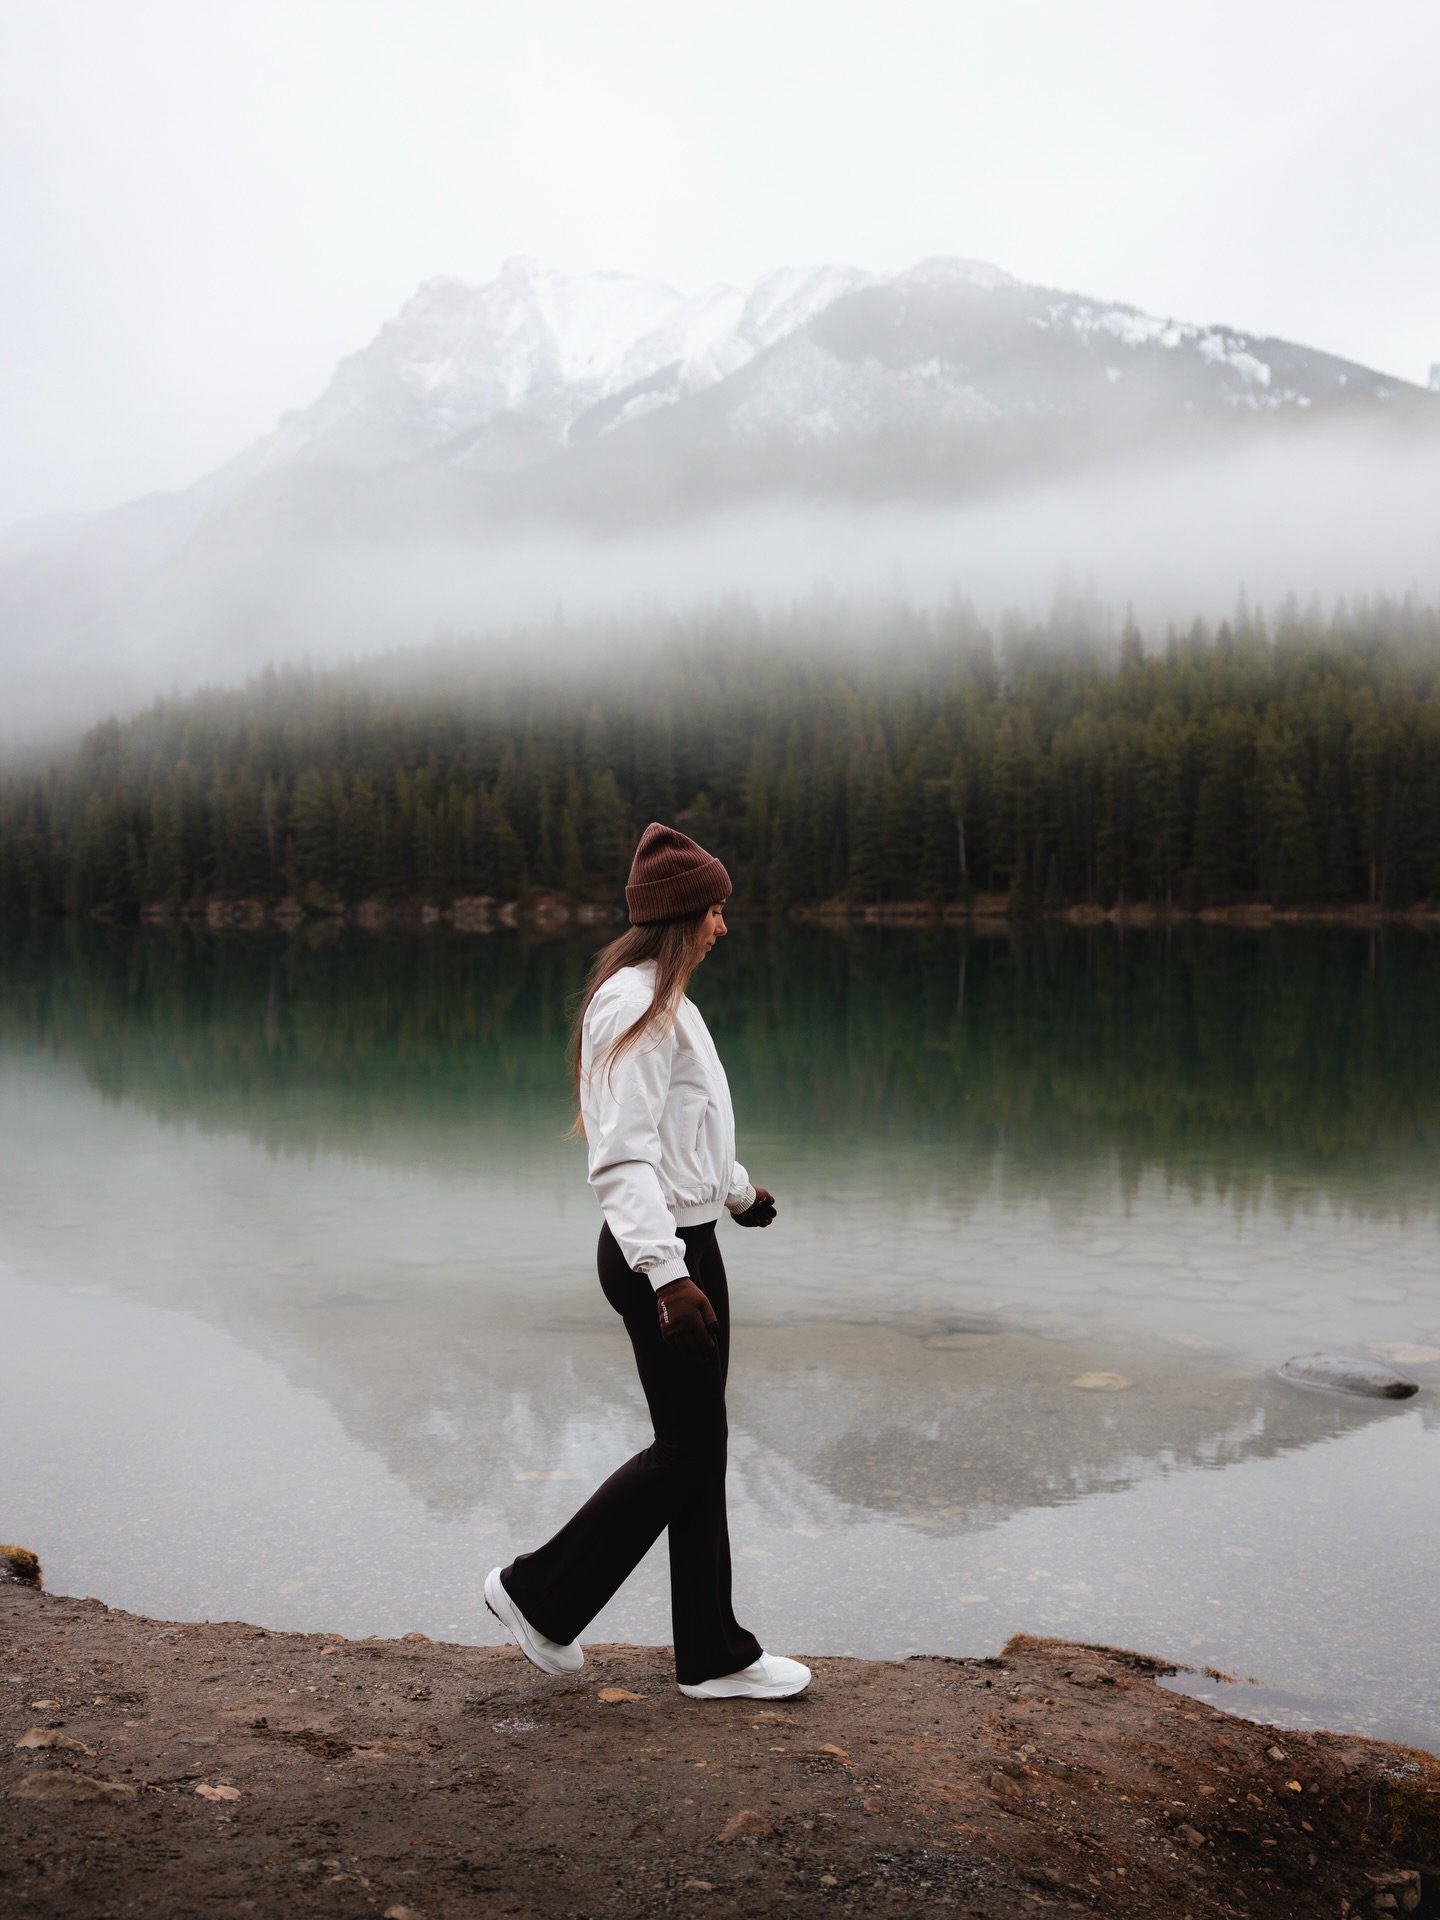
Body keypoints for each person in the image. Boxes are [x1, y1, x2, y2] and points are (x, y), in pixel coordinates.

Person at [485, 821, 811, 1701]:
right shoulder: (635, 1006)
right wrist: (668, 1276)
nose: (722, 926)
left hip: (685, 1237)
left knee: (699, 1449)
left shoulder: (670, 1003)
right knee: (687, 1452)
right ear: (678, 916)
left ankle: (711, 1652)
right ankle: (538, 1595)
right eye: (712, 911)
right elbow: (622, 1159)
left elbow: (682, 1133)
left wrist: (738, 1193)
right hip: (657, 1252)